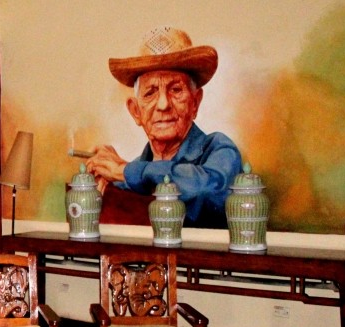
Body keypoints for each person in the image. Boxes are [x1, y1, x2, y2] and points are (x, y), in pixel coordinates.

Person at [85, 26, 242, 228]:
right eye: (150, 93)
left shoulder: (219, 149)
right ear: (135, 112)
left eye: (176, 90)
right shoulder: (129, 174)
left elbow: (207, 192)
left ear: (195, 102)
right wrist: (109, 177)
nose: (163, 105)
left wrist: (125, 171)